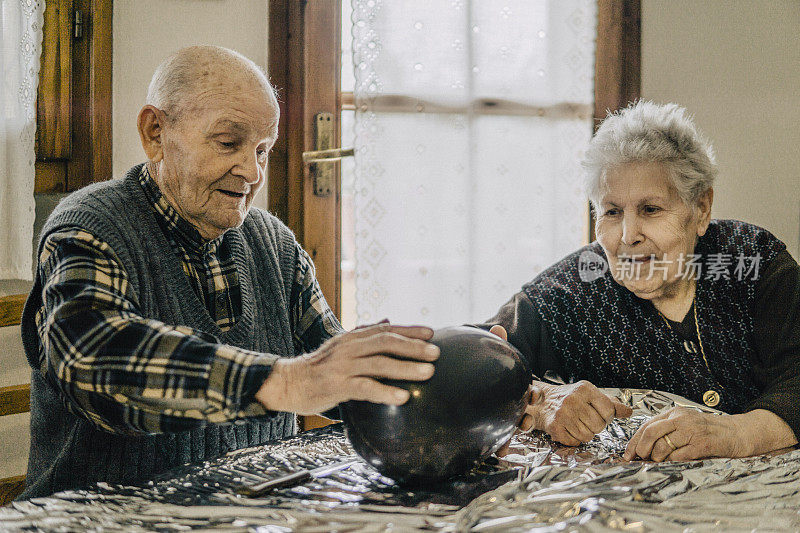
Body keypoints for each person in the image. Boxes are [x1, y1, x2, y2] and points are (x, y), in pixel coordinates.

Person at [18, 46, 439, 499]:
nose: (252, 171)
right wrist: (281, 382)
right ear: (155, 132)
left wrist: (469, 381)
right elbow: (91, 360)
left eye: (263, 149)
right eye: (228, 143)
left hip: (248, 514)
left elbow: (334, 378)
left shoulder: (273, 242)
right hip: (96, 518)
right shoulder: (87, 226)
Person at [486, 101, 799, 462]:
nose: (628, 235)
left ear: (701, 209)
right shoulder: (569, 292)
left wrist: (738, 434)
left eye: (650, 209)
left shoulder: (750, 262)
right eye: (612, 212)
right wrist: (538, 400)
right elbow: (469, 365)